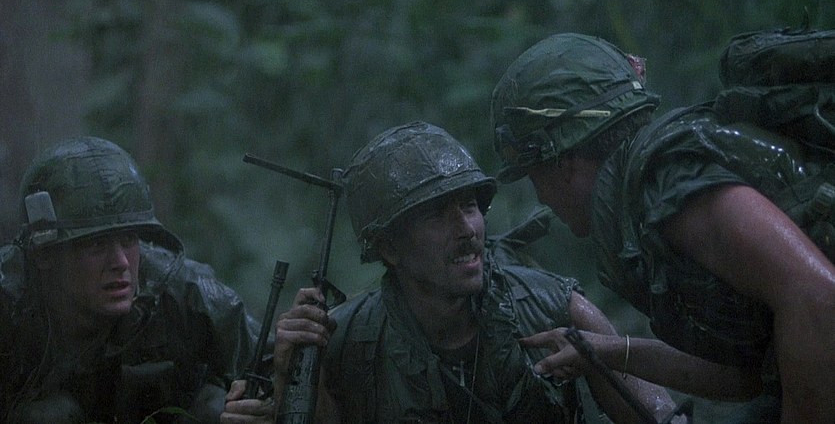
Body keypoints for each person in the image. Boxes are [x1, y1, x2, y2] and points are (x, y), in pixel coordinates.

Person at [222, 121, 683, 423]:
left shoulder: (553, 308)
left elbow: (661, 418)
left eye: (469, 206)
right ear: (389, 248)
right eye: (436, 215)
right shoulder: (343, 342)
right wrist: (290, 389)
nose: (466, 229)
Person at [490, 32, 835, 423]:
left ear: (562, 163)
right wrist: (605, 350)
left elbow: (818, 297)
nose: (541, 196)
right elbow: (749, 377)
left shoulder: (667, 180)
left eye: (533, 175)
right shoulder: (645, 198)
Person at [0, 136, 262, 423]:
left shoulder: (185, 292)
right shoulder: (8, 299)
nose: (121, 262)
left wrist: (262, 402)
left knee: (217, 408)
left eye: (128, 239)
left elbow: (275, 363)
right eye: (96, 244)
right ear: (44, 255)